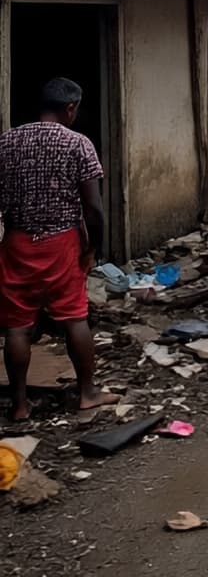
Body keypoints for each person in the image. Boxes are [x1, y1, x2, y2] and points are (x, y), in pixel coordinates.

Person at [0, 78, 119, 420]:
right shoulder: (79, 144)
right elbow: (93, 208)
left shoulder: (7, 141)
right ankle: (87, 393)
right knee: (73, 317)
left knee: (18, 326)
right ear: (70, 108)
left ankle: (20, 404)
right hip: (62, 243)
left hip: (18, 242)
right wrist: (93, 247)